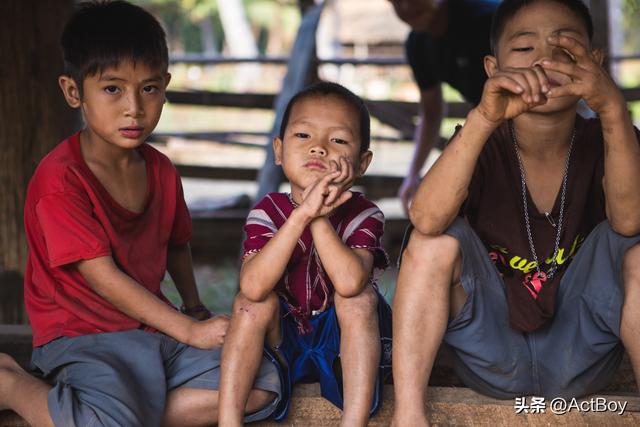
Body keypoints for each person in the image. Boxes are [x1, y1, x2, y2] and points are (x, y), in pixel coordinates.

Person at [0, 2, 281, 426]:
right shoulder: (60, 180)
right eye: (112, 89)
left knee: (261, 384)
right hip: (83, 338)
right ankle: (11, 384)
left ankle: (127, 414)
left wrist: (193, 307)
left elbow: (176, 243)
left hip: (151, 332)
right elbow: (103, 277)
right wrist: (187, 332)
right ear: (73, 91)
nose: (134, 107)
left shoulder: (160, 169)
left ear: (165, 85)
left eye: (148, 88)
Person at [391, 0, 640, 425]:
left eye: (565, 45)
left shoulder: (613, 138)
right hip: (492, 351)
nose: (544, 58)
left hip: (581, 351)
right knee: (432, 244)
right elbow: (426, 220)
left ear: (594, 62)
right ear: (492, 68)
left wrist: (614, 110)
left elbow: (629, 222)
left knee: (636, 249)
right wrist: (484, 118)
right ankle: (409, 416)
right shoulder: (479, 141)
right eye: (524, 49)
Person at [218, 82, 392, 427]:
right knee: (253, 304)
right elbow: (252, 287)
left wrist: (318, 216)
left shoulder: (365, 213)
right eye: (303, 136)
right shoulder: (267, 211)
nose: (319, 149)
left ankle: (354, 422)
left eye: (338, 140)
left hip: (341, 345)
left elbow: (350, 281)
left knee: (357, 300)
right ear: (279, 151)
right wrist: (300, 214)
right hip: (283, 341)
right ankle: (228, 421)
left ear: (361, 163)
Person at [388, 0, 500, 214]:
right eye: (396, 3)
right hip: (491, 130)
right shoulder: (418, 45)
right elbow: (431, 113)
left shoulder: (488, 19)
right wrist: (413, 174)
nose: (405, 8)